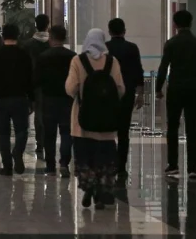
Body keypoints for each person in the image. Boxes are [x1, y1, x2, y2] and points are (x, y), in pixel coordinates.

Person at [66, 28, 125, 210]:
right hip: (106, 123)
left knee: (85, 158)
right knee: (104, 159)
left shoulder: (78, 60)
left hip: (82, 123)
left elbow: (71, 88)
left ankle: (88, 188)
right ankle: (101, 191)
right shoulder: (112, 61)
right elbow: (120, 88)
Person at [155, 10, 196, 179]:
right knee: (193, 127)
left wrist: (158, 88)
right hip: (194, 88)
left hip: (176, 88)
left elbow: (164, 67)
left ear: (175, 24)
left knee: (172, 126)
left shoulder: (171, 43)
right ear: (191, 23)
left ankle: (173, 165)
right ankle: (192, 168)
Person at [0, 23, 33, 175]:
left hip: (0, 98)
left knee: (3, 132)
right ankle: (18, 152)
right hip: (20, 97)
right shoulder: (24, 55)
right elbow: (30, 78)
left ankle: (7, 166)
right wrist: (31, 98)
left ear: (3, 36)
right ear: (18, 35)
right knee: (22, 130)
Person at [105, 18, 144, 181]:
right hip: (127, 94)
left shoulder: (105, 49)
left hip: (107, 94)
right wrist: (140, 93)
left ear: (109, 31)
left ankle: (109, 162)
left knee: (107, 131)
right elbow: (138, 71)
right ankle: (121, 166)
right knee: (123, 131)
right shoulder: (132, 48)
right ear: (124, 31)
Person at [36, 25, 75, 178]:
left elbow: (37, 79)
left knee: (49, 134)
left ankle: (50, 166)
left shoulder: (43, 56)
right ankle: (64, 163)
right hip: (67, 100)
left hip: (48, 99)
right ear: (65, 38)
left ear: (50, 37)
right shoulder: (72, 56)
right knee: (66, 133)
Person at [22, 14, 51, 161]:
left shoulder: (28, 45)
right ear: (48, 25)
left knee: (38, 114)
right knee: (51, 114)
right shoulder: (52, 44)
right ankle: (48, 141)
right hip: (51, 84)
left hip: (34, 84)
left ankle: (40, 143)